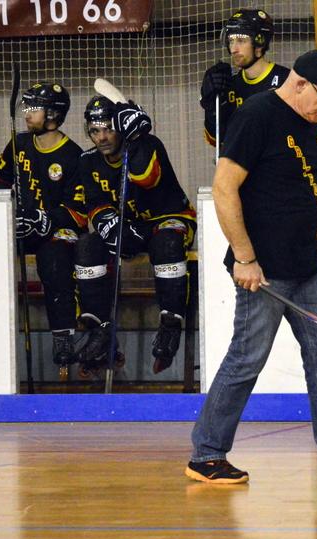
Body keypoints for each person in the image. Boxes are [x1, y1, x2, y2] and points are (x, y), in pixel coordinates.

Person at [187, 49, 317, 484]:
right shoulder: (256, 116)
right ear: (300, 84)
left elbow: (302, 187)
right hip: (263, 269)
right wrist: (244, 258)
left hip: (304, 263)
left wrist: (316, 240)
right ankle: (207, 454)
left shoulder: (309, 121)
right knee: (247, 359)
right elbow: (224, 188)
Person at [75, 95, 196, 374]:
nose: (102, 137)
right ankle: (100, 331)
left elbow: (146, 178)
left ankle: (170, 325)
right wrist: (111, 227)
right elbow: (94, 204)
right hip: (127, 226)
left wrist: (137, 137)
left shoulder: (149, 145)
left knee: (167, 243)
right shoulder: (87, 160)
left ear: (120, 128)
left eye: (109, 129)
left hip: (166, 219)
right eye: (95, 131)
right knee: (87, 246)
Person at [0, 82, 86, 373]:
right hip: (22, 228)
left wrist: (45, 220)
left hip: (55, 232)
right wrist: (9, 207)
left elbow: (78, 211)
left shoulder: (73, 156)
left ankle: (63, 337)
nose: (27, 113)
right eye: (26, 107)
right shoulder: (19, 144)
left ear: (53, 114)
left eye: (34, 108)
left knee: (55, 259)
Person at [199, 9, 317, 154]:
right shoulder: (228, 85)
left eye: (241, 41)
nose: (234, 49)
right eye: (231, 41)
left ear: (260, 42)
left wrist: (294, 155)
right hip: (242, 170)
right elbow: (215, 140)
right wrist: (212, 108)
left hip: (285, 169)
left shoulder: (289, 81)